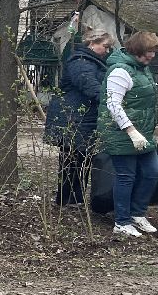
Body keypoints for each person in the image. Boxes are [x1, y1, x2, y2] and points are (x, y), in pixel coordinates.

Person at [96, 30, 158, 239]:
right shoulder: (120, 71)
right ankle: (122, 222)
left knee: (153, 171)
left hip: (142, 134)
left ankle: (137, 213)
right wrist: (131, 131)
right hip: (121, 133)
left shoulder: (142, 69)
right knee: (126, 177)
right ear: (137, 50)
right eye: (148, 52)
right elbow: (113, 105)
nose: (151, 57)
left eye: (154, 52)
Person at [43, 26, 114, 207]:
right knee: (72, 161)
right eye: (105, 46)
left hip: (82, 117)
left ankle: (74, 199)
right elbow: (90, 87)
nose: (107, 51)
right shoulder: (81, 62)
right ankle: (66, 200)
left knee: (81, 160)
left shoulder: (90, 61)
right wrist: (112, 102)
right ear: (92, 43)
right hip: (73, 118)